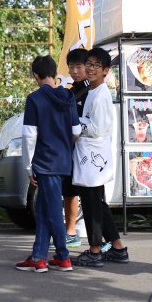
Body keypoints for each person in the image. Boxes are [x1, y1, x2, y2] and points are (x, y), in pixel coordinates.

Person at [15, 55, 80, 274]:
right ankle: (39, 256)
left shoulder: (34, 99)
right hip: (63, 160)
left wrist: (28, 167)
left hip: (44, 161)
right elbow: (76, 131)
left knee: (52, 211)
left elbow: (29, 136)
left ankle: (63, 256)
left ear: (36, 76)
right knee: (43, 210)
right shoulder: (68, 96)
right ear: (54, 72)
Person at [71, 47, 129, 268]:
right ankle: (118, 248)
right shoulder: (92, 92)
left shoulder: (102, 95)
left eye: (96, 66)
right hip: (90, 157)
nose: (90, 68)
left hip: (94, 159)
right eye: (89, 64)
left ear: (106, 71)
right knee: (98, 204)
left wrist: (76, 124)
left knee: (93, 205)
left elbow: (97, 128)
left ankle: (95, 251)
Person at [62, 47, 90, 247]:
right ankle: (70, 232)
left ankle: (102, 237)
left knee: (93, 194)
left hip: (90, 151)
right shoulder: (71, 92)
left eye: (78, 66)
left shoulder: (93, 90)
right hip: (72, 150)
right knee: (70, 191)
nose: (74, 71)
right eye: (71, 66)